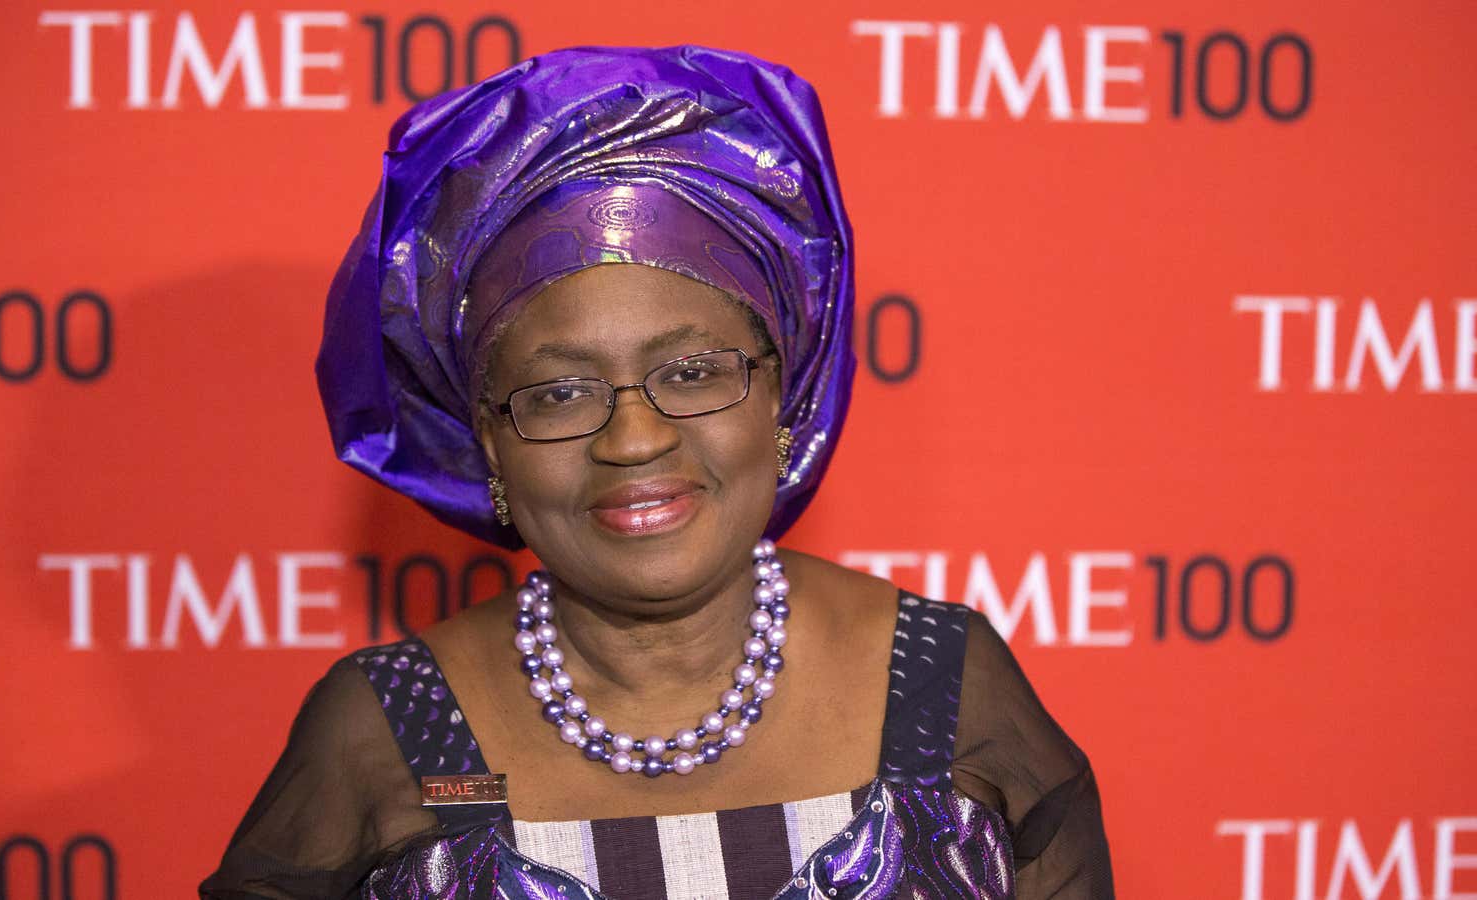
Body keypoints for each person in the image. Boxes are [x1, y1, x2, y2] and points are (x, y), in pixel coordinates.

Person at [200, 44, 1113, 899]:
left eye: (691, 373)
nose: (633, 439)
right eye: (559, 393)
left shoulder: (945, 684)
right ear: (490, 444)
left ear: (777, 399)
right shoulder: (384, 727)